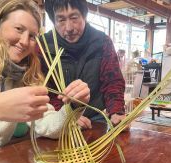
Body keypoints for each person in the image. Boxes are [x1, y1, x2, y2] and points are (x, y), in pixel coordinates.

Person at [0, 0, 90, 161]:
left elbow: (49, 127)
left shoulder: (25, 73)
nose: (24, 41)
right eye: (18, 29)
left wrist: (74, 105)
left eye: (32, 36)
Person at [42, 0, 126, 129]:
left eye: (74, 17)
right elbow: (45, 91)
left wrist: (117, 111)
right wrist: (67, 116)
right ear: (53, 20)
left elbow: (112, 81)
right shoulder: (44, 46)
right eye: (61, 20)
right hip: (58, 119)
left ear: (84, 15)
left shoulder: (101, 41)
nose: (69, 28)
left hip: (96, 117)